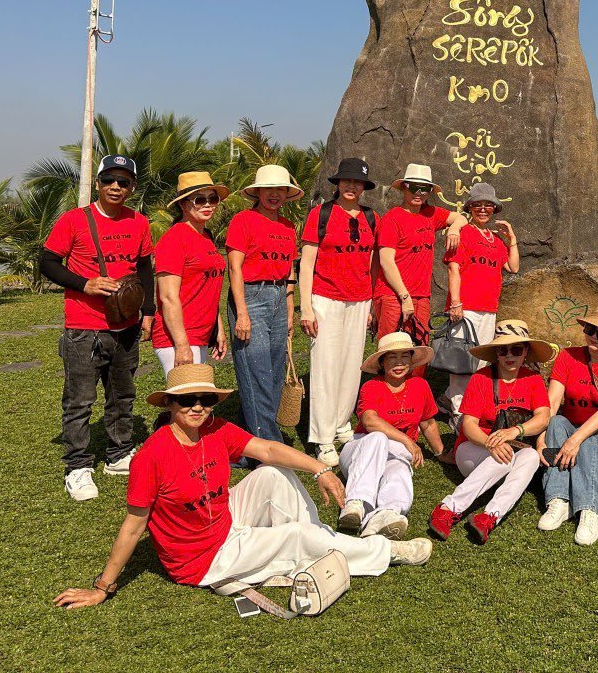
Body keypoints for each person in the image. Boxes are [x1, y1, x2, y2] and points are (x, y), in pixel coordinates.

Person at [52, 363, 430, 611]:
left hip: (225, 520)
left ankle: (322, 544)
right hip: (202, 559)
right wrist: (102, 587)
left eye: (206, 400)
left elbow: (265, 448)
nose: (197, 407)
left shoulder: (214, 429)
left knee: (273, 474)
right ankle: (382, 551)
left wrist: (321, 470)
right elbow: (134, 526)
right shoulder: (152, 456)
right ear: (168, 404)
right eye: (187, 400)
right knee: (294, 535)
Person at [41, 154, 155, 501]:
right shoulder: (75, 220)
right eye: (109, 180)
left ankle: (119, 455)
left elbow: (145, 268)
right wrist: (84, 284)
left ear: (132, 186)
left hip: (127, 325)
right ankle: (77, 467)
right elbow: (47, 262)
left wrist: (148, 312)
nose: (116, 187)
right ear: (98, 183)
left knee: (123, 394)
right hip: (84, 327)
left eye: (123, 181)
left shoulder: (139, 222)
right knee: (80, 401)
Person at [428, 320, 553, 544]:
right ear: (495, 354)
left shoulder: (532, 380)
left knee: (532, 455)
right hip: (473, 449)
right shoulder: (481, 378)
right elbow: (469, 426)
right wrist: (490, 443)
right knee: (502, 456)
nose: (509, 355)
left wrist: (516, 430)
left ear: (526, 352)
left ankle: (489, 516)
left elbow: (543, 418)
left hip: (512, 449)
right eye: (502, 350)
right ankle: (447, 509)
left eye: (516, 349)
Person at [299, 157, 379, 468]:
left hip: (359, 300)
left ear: (363, 187)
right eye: (346, 181)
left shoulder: (372, 218)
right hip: (326, 298)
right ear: (337, 184)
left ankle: (342, 423)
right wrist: (306, 307)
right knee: (325, 366)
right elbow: (306, 263)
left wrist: (371, 303)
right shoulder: (321, 214)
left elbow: (373, 262)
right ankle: (321, 438)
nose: (351, 186)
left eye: (357, 182)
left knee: (351, 366)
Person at [537, 301, 598, 547]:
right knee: (557, 421)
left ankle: (589, 509)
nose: (593, 336)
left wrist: (574, 441)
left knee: (589, 440)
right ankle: (558, 500)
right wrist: (541, 438)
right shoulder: (569, 357)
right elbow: (553, 400)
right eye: (590, 329)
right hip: (572, 428)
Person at [337, 332, 445, 539]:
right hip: (362, 449)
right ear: (382, 362)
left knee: (400, 470)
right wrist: (407, 440)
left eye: (405, 356)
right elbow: (369, 421)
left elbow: (428, 422)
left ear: (412, 360)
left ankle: (388, 514)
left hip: (397, 453)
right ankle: (355, 506)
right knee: (379, 438)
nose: (399, 363)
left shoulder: (420, 385)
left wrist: (440, 453)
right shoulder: (371, 386)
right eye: (392, 357)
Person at [226, 165, 302, 448]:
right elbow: (234, 268)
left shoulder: (287, 226)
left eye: (280, 189)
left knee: (273, 370)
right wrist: (242, 313)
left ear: (286, 194)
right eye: (268, 189)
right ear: (257, 192)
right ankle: (269, 446)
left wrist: (290, 308)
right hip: (251, 296)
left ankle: (250, 440)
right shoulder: (243, 220)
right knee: (255, 371)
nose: (274, 195)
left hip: (279, 297)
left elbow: (290, 269)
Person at [442, 181, 520, 419]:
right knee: (461, 361)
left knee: (481, 362)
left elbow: (513, 267)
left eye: (488, 205)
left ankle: (463, 404)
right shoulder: (463, 233)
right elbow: (453, 269)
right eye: (478, 205)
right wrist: (456, 303)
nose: (483, 209)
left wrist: (512, 239)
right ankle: (457, 410)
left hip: (488, 308)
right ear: (470, 208)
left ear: (495, 209)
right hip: (465, 308)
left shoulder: (495, 240)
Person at [372, 163, 465, 342]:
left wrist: (454, 228)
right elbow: (386, 261)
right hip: (393, 295)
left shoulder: (430, 214)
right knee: (393, 349)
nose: (419, 193)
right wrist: (404, 296)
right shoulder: (392, 218)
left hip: (422, 295)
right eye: (414, 187)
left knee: (420, 347)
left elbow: (461, 217)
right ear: (404, 188)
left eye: (425, 189)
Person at [152, 172, 229, 373]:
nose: (208, 205)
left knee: (196, 401)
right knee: (186, 402)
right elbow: (168, 297)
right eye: (199, 200)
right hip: (179, 338)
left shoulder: (206, 236)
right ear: (183, 205)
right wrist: (182, 345)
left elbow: (208, 287)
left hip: (201, 334)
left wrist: (217, 328)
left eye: (213, 199)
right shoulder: (174, 240)